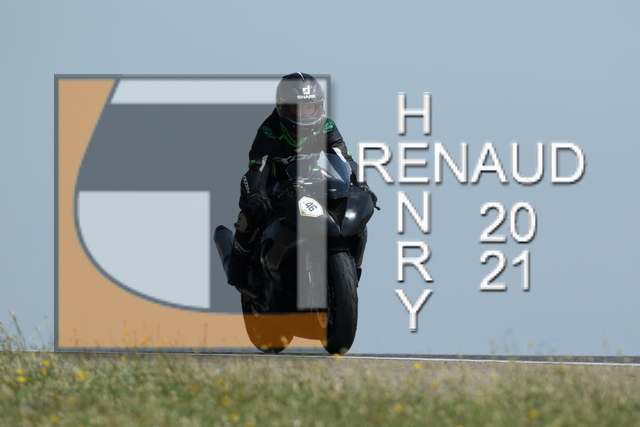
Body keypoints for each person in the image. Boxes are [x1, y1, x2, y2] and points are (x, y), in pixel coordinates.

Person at [227, 72, 377, 290]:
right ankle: (237, 267)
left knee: (344, 202)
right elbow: (258, 166)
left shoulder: (326, 126)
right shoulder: (270, 129)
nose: (305, 114)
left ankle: (347, 263)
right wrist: (257, 194)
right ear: (283, 107)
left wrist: (363, 185)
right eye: (298, 108)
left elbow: (345, 158)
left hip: (310, 179)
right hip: (272, 183)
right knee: (252, 217)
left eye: (311, 108)